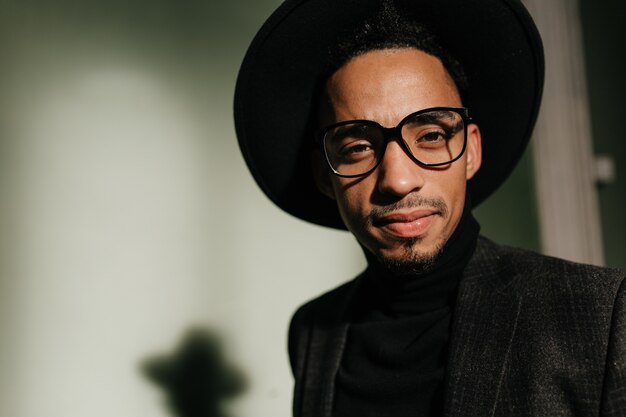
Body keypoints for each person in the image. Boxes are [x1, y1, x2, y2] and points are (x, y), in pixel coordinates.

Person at [233, 0, 626, 415]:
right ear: (323, 175)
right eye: (359, 146)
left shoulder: (601, 315)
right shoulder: (313, 332)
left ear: (471, 150)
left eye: (432, 136)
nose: (398, 180)